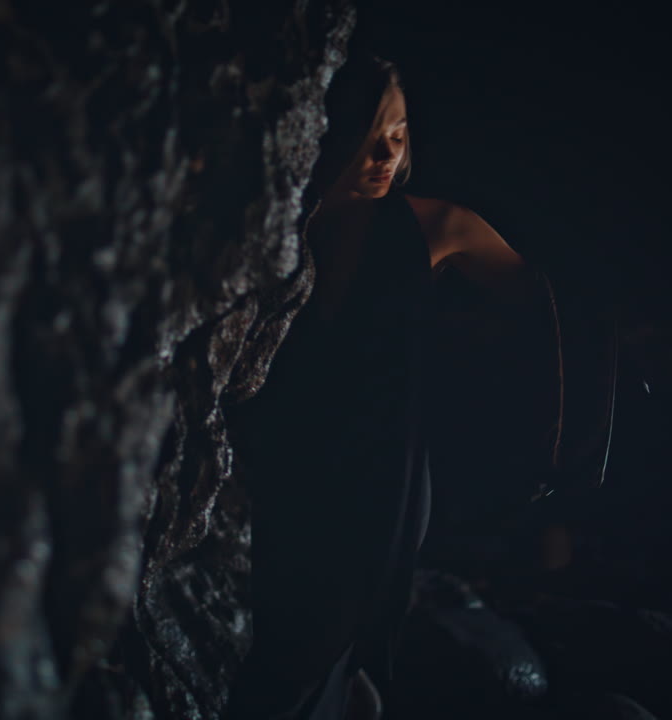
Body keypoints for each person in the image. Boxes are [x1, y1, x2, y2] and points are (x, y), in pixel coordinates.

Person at [223, 54, 564, 720]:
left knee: (321, 639)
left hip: (384, 478)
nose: (386, 153)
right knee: (283, 639)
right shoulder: (279, 227)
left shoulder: (436, 226)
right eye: (370, 133)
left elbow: (550, 303)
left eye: (400, 134)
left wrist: (554, 418)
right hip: (288, 471)